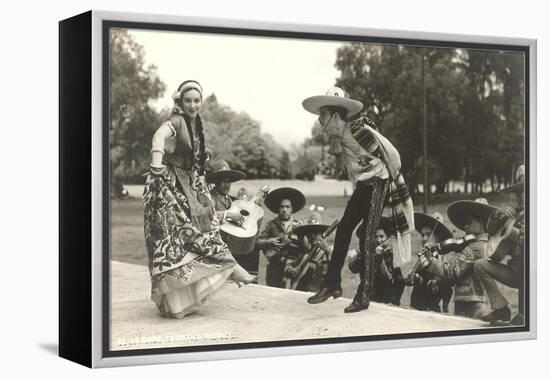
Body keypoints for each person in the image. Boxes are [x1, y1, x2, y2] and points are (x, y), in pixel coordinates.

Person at [143, 80, 255, 319]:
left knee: (201, 228)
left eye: (197, 100)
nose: (193, 105)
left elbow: (190, 156)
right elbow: (159, 136)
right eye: (188, 100)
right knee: (175, 238)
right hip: (167, 185)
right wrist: (156, 161)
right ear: (180, 102)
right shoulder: (176, 121)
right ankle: (230, 268)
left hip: (187, 183)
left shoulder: (195, 125)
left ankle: (183, 299)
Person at [303, 87, 414, 313]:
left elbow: (392, 155)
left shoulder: (359, 130)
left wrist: (392, 180)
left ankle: (364, 296)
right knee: (343, 229)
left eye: (322, 115)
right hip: (365, 186)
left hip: (378, 184)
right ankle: (332, 284)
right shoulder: (341, 139)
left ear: (335, 116)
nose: (319, 120)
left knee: (367, 237)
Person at [422, 199, 496, 319]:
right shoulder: (487, 244)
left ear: (481, 224)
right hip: (476, 298)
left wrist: (431, 260)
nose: (465, 226)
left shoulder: (474, 247)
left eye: (468, 222)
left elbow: (452, 273)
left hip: (468, 302)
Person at [474, 165, 526, 325]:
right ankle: (501, 309)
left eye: (525, 190)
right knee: (480, 265)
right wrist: (496, 216)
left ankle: (524, 315)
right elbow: (489, 230)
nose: (522, 195)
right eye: (518, 192)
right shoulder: (515, 214)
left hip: (534, 274)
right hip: (515, 272)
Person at [255, 187, 305, 288]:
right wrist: (269, 241)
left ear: (292, 209)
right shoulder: (270, 224)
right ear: (278, 208)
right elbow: (257, 242)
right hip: (274, 267)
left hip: (293, 269)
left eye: (287, 207)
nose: (284, 210)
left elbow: (306, 248)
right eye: (282, 207)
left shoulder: (299, 226)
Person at [350, 217, 405, 305]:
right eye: (375, 237)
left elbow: (398, 281)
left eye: (381, 236)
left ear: (387, 237)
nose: (378, 240)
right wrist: (361, 255)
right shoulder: (365, 254)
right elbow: (353, 268)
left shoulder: (391, 255)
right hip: (368, 298)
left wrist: (395, 300)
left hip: (386, 299)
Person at [406, 212, 454, 313]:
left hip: (431, 310)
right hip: (415, 307)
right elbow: (416, 282)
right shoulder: (423, 256)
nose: (424, 238)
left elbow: (448, 286)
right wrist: (412, 277)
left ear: (438, 236)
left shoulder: (442, 257)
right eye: (422, 235)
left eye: (428, 234)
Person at [285, 212, 332, 293]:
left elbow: (336, 269)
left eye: (317, 233)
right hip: (298, 293)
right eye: (310, 233)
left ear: (322, 234)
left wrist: (326, 249)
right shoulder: (300, 249)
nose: (313, 236)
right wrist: (291, 271)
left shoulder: (328, 251)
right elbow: (288, 266)